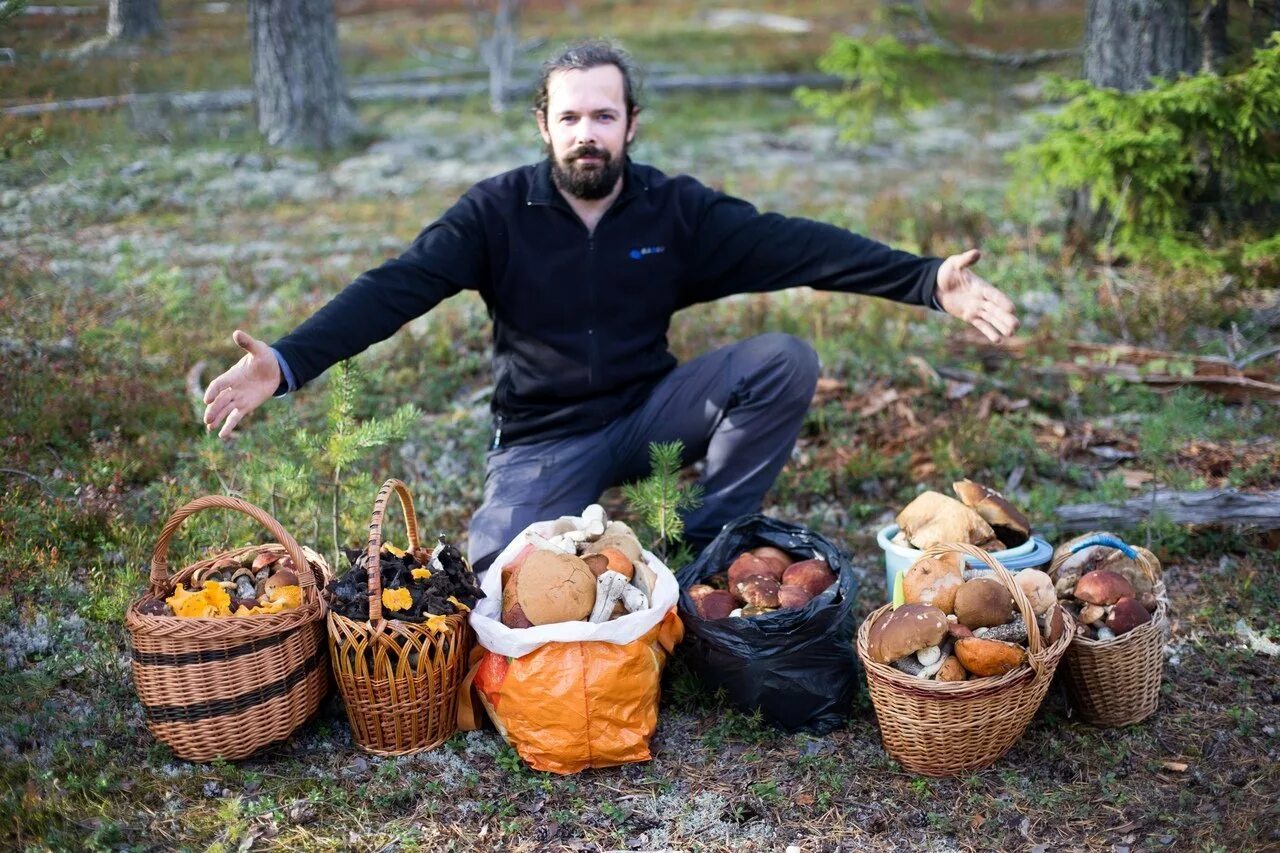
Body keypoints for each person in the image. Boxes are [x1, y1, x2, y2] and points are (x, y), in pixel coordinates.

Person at [203, 39, 1019, 572]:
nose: (586, 132)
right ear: (543, 125)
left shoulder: (675, 211)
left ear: (631, 122)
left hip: (649, 411)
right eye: (569, 117)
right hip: (543, 439)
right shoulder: (494, 215)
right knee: (493, 574)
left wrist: (924, 281)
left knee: (782, 360)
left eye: (603, 114)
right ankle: (551, 538)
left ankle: (706, 538)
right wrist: (290, 358)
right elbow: (395, 286)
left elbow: (796, 245)